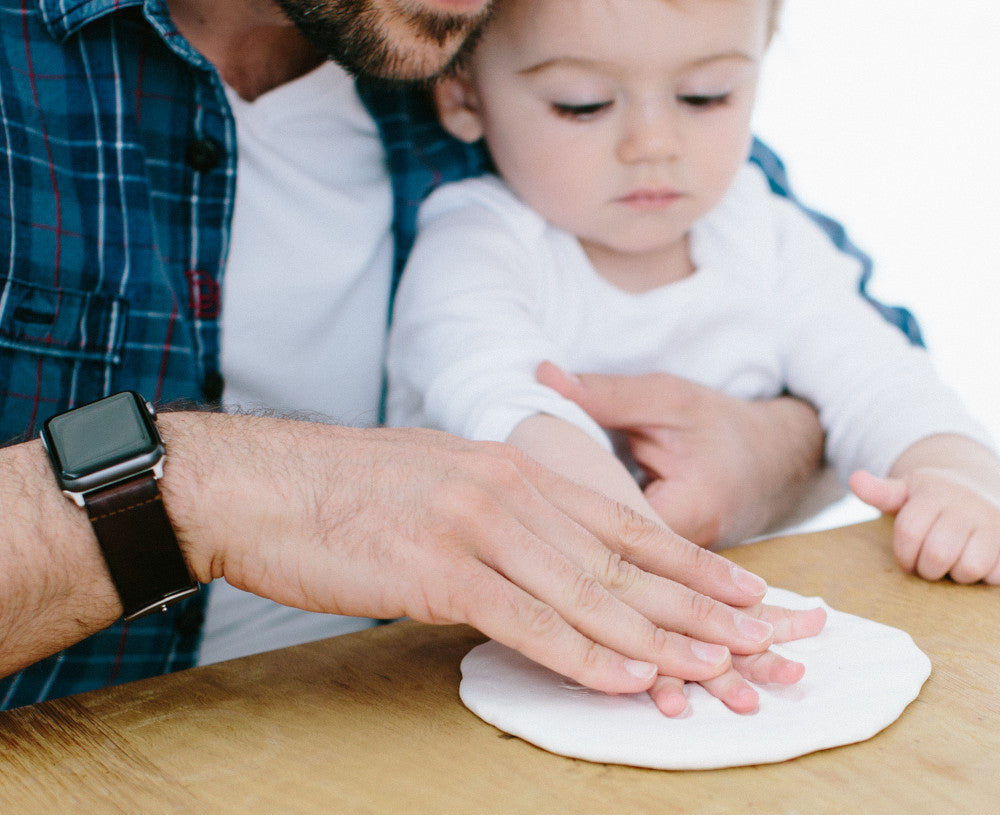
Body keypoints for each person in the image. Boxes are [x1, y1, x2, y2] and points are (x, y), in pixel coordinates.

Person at [2, 0, 896, 712]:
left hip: (417, 745)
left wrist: (772, 452)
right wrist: (202, 489)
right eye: (582, 106)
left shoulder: (526, 38)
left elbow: (854, 345)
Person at [386, 0, 1000, 712]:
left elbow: (878, 375)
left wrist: (955, 476)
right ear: (464, 96)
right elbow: (508, 406)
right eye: (582, 105)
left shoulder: (764, 231)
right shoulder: (475, 245)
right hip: (489, 667)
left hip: (714, 649)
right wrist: (640, 569)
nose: (654, 143)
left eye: (706, 95)